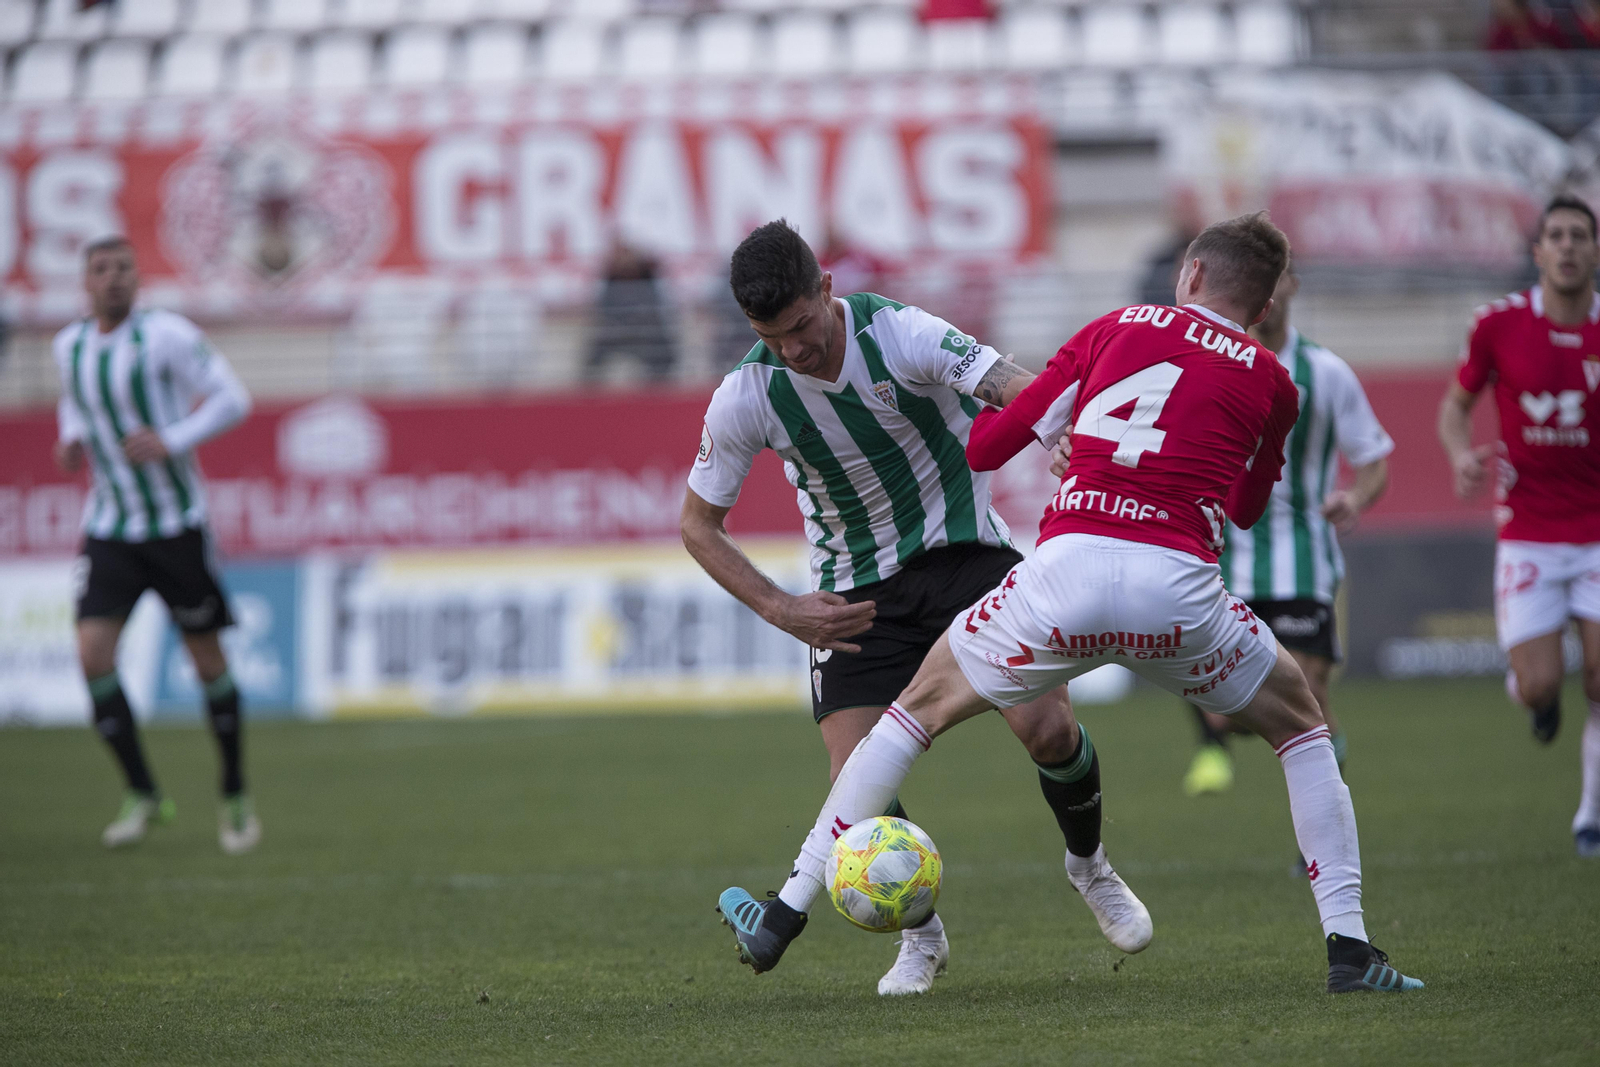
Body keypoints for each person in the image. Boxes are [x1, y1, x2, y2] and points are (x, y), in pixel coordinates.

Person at [720, 212, 1423, 994]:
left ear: (1187, 272)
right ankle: (1350, 952)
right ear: (1262, 311)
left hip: (1068, 572)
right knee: (1302, 728)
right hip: (1177, 589)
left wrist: (1059, 427)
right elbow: (1251, 505)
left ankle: (785, 911)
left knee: (913, 715)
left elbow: (986, 448)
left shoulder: (1117, 324)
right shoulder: (1275, 380)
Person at [685, 220, 1150, 996]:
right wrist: (782, 608)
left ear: (825, 289)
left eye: (801, 326)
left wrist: (1053, 427)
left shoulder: (898, 333)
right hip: (856, 599)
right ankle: (921, 937)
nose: (794, 348)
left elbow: (1002, 379)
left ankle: (1090, 867)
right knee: (854, 786)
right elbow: (697, 525)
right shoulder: (748, 394)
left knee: (1048, 727)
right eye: (774, 336)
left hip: (967, 560)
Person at [52, 236, 259, 854]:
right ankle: (144, 794)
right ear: (85, 282)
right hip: (111, 529)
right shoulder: (70, 346)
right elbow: (77, 403)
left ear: (137, 278)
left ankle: (234, 794)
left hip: (174, 526)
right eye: (101, 269)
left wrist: (174, 437)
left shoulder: (167, 336)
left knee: (207, 663)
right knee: (92, 655)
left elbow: (233, 399)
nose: (115, 278)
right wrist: (69, 439)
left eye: (124, 268)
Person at [1178, 264, 1393, 798]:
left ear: (1293, 285)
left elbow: (1374, 460)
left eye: (1279, 275)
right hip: (1223, 557)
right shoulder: (1208, 363)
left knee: (1309, 698)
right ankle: (1219, 744)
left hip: (1304, 557)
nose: (1268, 286)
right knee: (1228, 712)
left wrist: (1355, 497)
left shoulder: (1325, 371)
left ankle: (1324, 834)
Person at [1437, 194, 1600, 859]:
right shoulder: (1499, 324)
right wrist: (1457, 455)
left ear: (1593, 251)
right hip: (1529, 531)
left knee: (1599, 678)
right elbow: (1455, 404)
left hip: (1596, 531)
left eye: (1579, 236)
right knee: (1540, 683)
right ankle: (1537, 700)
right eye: (1555, 236)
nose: (1566, 246)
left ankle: (1590, 813)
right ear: (1538, 252)